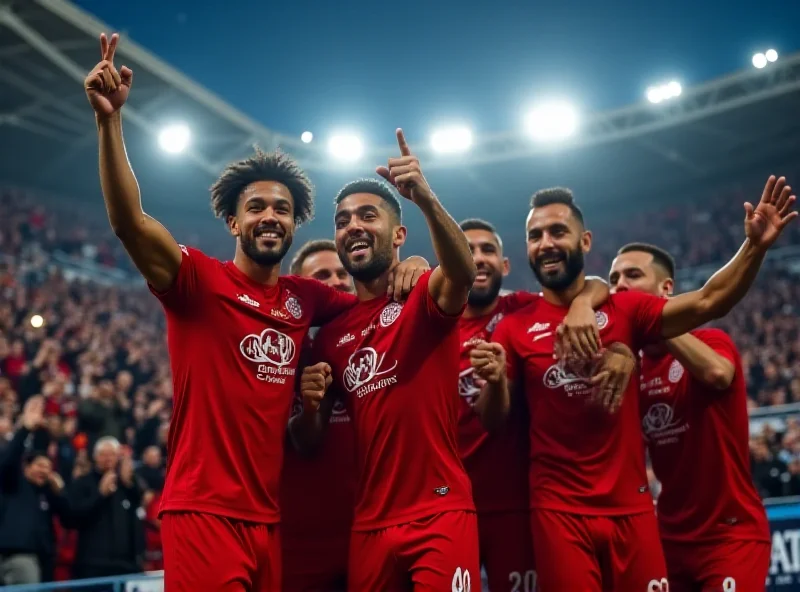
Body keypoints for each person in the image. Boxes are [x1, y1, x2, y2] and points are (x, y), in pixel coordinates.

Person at [84, 32, 362, 590]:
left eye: (282, 209)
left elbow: (380, 300)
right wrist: (110, 124)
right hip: (204, 513)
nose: (270, 216)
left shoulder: (306, 299)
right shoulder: (198, 282)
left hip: (268, 522)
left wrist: (415, 264)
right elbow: (130, 223)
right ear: (233, 223)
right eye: (255, 206)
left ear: (293, 225)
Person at [479, 178, 796, 591]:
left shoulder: (625, 310)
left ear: (585, 240)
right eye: (535, 236)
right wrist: (494, 381)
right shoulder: (514, 326)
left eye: (558, 231)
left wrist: (753, 248)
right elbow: (496, 422)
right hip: (559, 511)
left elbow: (707, 300)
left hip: (634, 511)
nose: (546, 243)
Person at [291, 130, 482, 591]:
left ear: (398, 234)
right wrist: (311, 405)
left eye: (367, 215)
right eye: (342, 220)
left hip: (439, 511)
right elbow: (307, 441)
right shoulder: (331, 337)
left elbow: (462, 273)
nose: (352, 225)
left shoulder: (422, 294)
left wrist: (426, 199)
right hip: (369, 523)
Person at [457, 218, 611, 592]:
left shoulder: (522, 310)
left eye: (488, 250)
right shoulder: (429, 322)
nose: (478, 259)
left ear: (505, 265)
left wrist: (584, 305)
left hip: (517, 505)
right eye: (467, 251)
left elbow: (594, 285)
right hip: (450, 506)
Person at [609, 242, 771, 591]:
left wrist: (659, 320)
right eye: (614, 278)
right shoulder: (628, 368)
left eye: (632, 275)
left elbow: (717, 374)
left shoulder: (711, 340)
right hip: (667, 537)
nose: (619, 285)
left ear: (666, 289)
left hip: (730, 534)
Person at [0, 397, 68, 585]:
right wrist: (25, 429)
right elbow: (7, 463)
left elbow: (70, 519)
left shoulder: (49, 490)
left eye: (47, 467)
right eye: (39, 465)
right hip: (14, 556)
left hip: (43, 560)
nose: (43, 470)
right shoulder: (14, 482)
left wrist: (60, 493)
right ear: (26, 467)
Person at [67, 437, 144, 581]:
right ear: (95, 457)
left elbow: (139, 505)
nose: (108, 459)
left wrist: (129, 483)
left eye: (112, 454)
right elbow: (73, 518)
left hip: (125, 565)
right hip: (92, 565)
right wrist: (100, 495)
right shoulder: (83, 483)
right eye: (103, 454)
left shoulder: (125, 485)